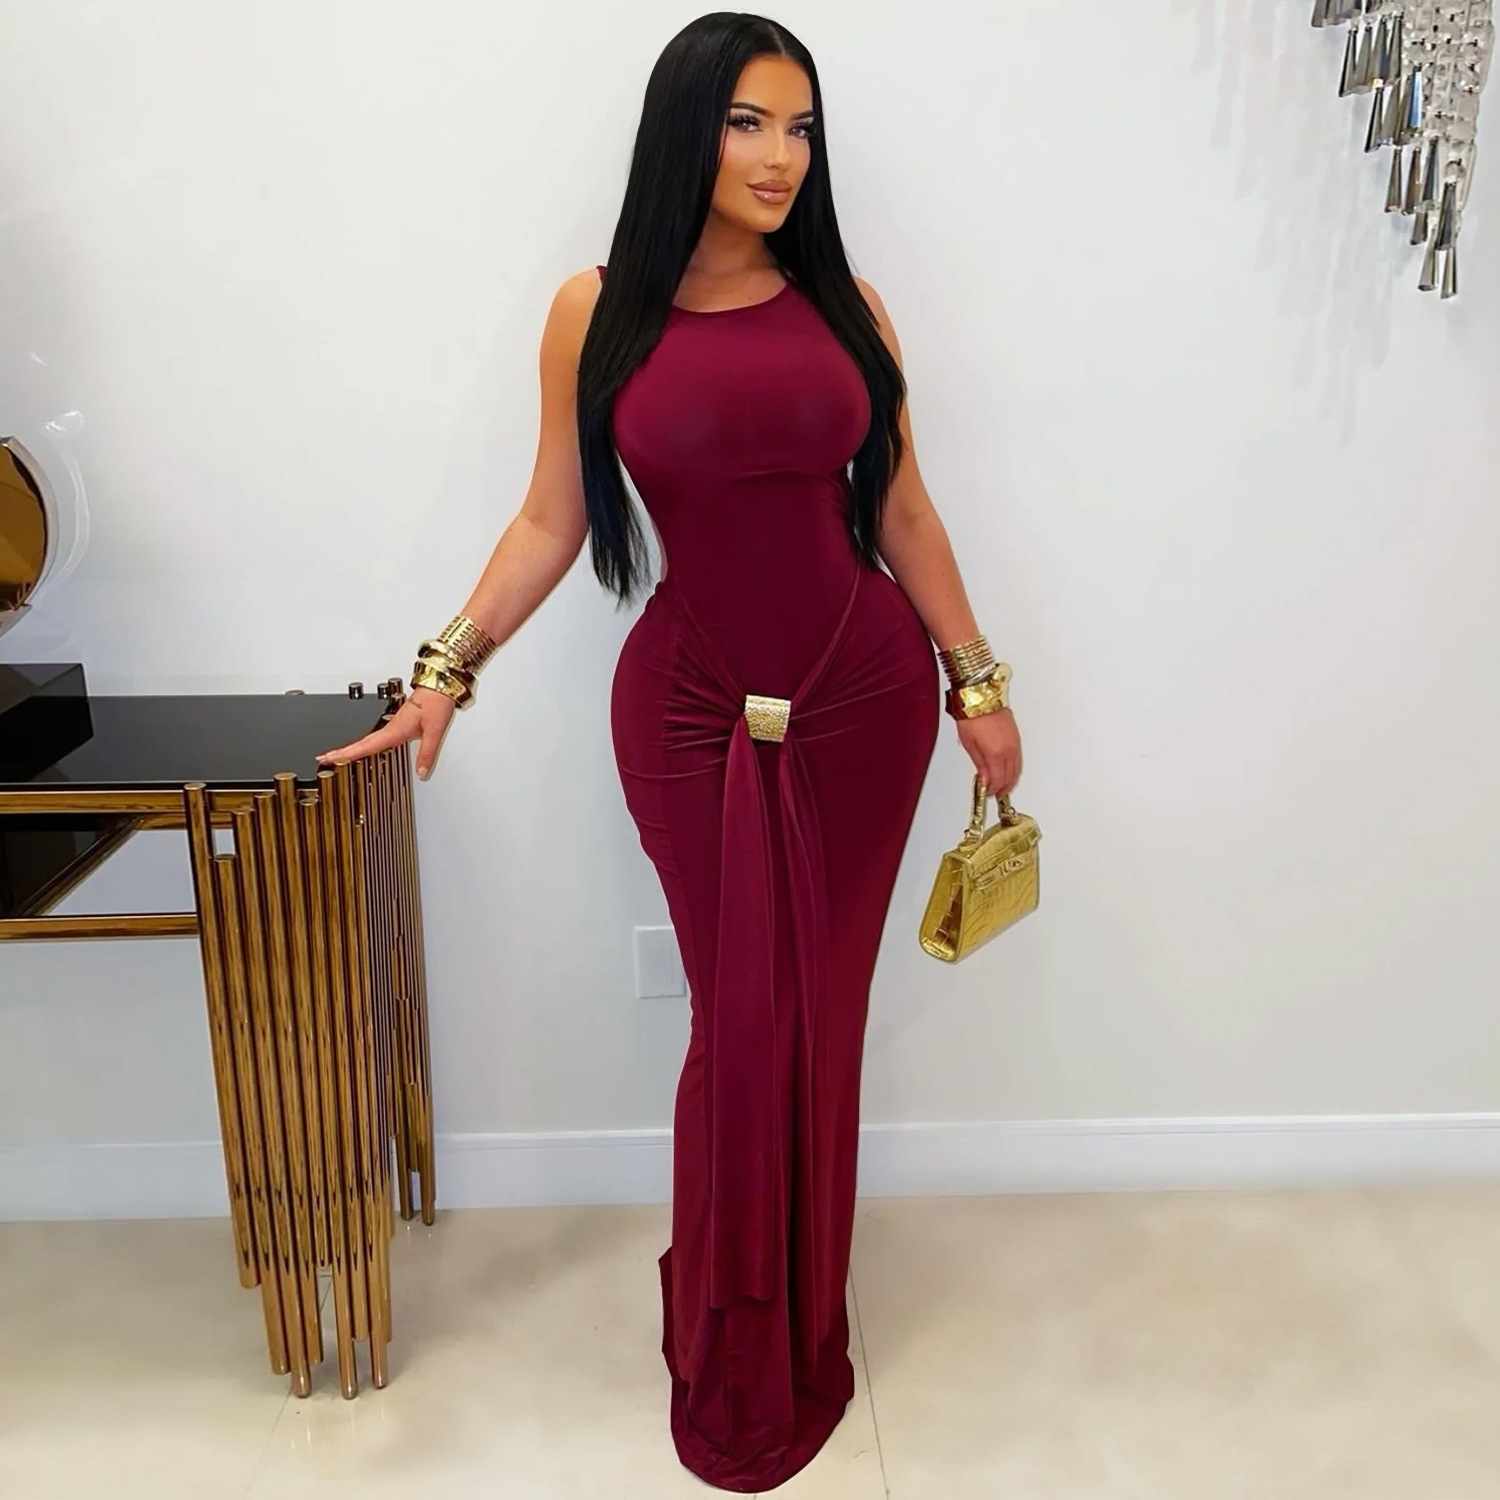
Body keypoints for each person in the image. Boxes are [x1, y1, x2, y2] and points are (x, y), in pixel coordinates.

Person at [317, 10, 1023, 1491]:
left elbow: (903, 509)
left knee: (820, 1019)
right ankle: (735, 1332)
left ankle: (803, 1322)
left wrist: (976, 681)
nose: (781, 156)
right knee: (741, 1020)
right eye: (749, 122)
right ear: (685, 131)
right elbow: (551, 517)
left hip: (862, 701)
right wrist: (445, 672)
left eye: (802, 127)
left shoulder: (850, 306)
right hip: (692, 711)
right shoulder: (597, 311)